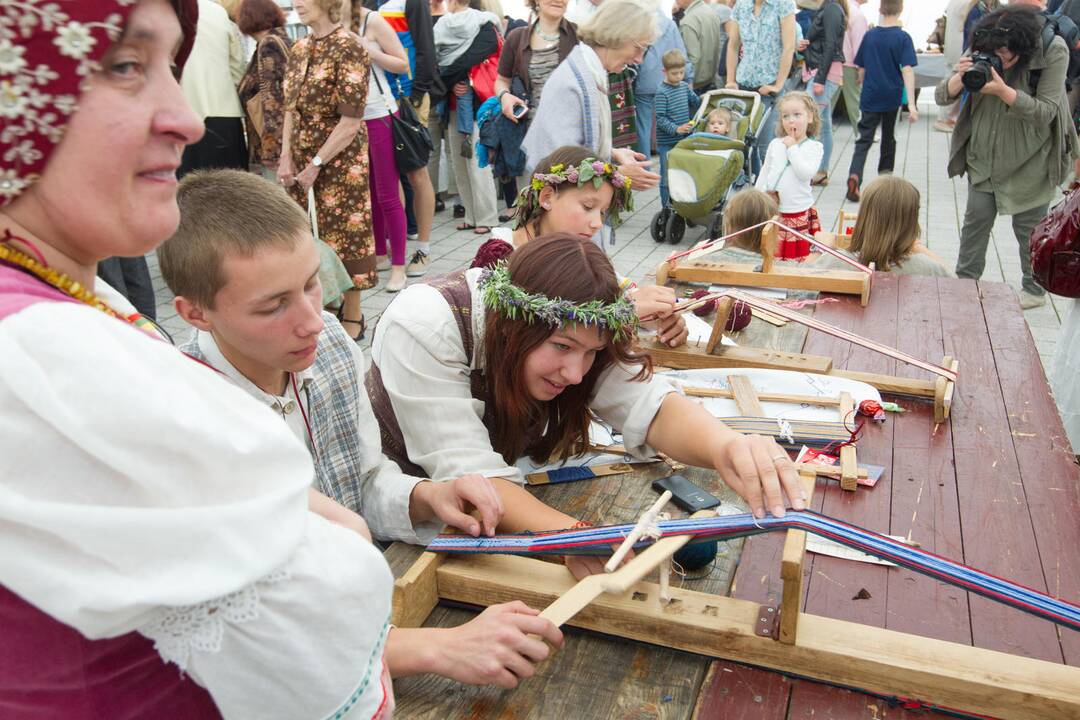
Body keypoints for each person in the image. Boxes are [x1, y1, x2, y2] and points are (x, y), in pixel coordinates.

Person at [0, 1, 398, 716]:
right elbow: (320, 611)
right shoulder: (36, 346)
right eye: (126, 65)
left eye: (171, 67)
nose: (186, 120)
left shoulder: (67, 301)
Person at [159, 168, 566, 689]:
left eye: (311, 283)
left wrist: (428, 495)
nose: (311, 318)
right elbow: (241, 634)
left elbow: (363, 480)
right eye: (273, 305)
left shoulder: (327, 342)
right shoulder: (186, 416)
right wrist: (438, 647)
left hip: (361, 609)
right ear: (195, 314)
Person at [367, 232, 807, 577]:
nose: (576, 374)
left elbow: (643, 402)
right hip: (393, 530)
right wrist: (576, 536)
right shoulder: (425, 324)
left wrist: (726, 447)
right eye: (561, 346)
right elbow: (474, 477)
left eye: (591, 353)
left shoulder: (578, 324)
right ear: (511, 327)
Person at [935, 4, 1078, 310]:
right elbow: (940, 96)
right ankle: (965, 285)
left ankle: (1034, 288)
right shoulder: (984, 43)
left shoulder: (1052, 50)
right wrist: (960, 78)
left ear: (1022, 49)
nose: (997, 57)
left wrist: (1003, 91)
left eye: (1004, 53)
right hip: (983, 158)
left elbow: (1047, 112)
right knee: (974, 225)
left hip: (1031, 159)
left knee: (1029, 231)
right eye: (992, 51)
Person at [476, 146, 690, 348]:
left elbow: (620, 294)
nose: (597, 223)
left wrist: (655, 318)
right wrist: (620, 312)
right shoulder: (500, 256)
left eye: (602, 212)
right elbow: (511, 334)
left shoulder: (576, 253)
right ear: (547, 197)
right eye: (588, 207)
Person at [279, 0, 373, 341]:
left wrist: (317, 164)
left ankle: (354, 313)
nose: (297, 4)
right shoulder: (299, 47)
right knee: (304, 232)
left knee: (346, 231)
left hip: (340, 158)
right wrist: (286, 156)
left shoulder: (349, 45)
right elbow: (290, 108)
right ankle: (321, 302)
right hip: (302, 156)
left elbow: (351, 120)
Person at [522, 0, 660, 195]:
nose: (639, 59)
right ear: (616, 36)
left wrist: (610, 152)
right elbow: (561, 166)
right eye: (639, 48)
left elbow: (576, 143)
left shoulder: (589, 71)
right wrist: (618, 173)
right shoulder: (574, 81)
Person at [353, 0, 441, 281]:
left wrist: (419, 92)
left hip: (405, 99)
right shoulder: (366, 6)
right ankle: (390, 247)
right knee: (387, 181)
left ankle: (423, 248)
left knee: (416, 173)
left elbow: (425, 47)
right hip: (375, 104)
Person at [354, 3, 413, 292]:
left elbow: (403, 64)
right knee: (367, 191)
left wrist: (370, 52)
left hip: (380, 114)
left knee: (387, 192)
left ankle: (399, 266)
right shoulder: (326, 21)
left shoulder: (372, 20)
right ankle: (379, 254)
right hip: (349, 120)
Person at [434, 0, 502, 235]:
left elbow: (480, 51)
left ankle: (487, 216)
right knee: (461, 162)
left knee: (475, 161)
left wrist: (449, 79)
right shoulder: (482, 21)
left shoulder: (483, 24)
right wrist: (452, 83)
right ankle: (472, 215)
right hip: (454, 102)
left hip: (474, 102)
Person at [843, 0, 916, 204]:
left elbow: (862, 69)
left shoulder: (870, 35)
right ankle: (885, 184)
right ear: (900, 10)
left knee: (864, 139)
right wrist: (911, 104)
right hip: (891, 96)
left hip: (870, 95)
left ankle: (855, 175)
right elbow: (907, 70)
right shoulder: (903, 38)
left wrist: (861, 78)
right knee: (888, 138)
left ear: (880, 10)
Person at [821, 177, 955, 276]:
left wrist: (820, 248)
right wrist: (919, 248)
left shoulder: (839, 261)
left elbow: (803, 275)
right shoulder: (925, 267)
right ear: (911, 224)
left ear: (864, 219)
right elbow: (955, 280)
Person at [725, 0, 797, 168]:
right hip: (744, 88)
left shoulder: (783, 4)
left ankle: (771, 191)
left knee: (767, 149)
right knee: (743, 148)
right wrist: (730, 80)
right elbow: (733, 46)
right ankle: (752, 191)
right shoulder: (741, 6)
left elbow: (789, 47)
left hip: (769, 88)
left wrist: (778, 84)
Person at [179, 0, 248, 174]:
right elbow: (238, 68)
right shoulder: (217, 12)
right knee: (232, 189)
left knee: (184, 192)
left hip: (181, 115)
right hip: (224, 114)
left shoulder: (163, 10)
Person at [755, 91, 824, 259]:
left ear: (809, 117)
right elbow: (765, 171)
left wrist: (792, 148)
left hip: (797, 210)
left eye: (797, 115)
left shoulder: (814, 147)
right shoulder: (775, 144)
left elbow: (805, 173)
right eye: (785, 116)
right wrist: (757, 194)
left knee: (797, 257)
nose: (791, 120)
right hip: (773, 208)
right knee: (771, 253)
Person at [237, 0, 293, 181]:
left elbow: (272, 99)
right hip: (287, 138)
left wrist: (271, 149)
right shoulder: (282, 39)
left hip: (276, 145)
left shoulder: (268, 45)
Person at [796, 0, 846, 185]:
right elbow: (828, 42)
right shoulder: (830, 8)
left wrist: (820, 79)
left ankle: (808, 169)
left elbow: (832, 44)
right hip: (822, 72)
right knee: (823, 126)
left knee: (808, 122)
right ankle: (821, 170)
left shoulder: (831, 8)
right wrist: (805, 45)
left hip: (824, 73)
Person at [655, 50, 703, 207]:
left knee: (684, 172)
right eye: (674, 73)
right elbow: (660, 119)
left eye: (681, 72)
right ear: (665, 72)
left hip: (684, 140)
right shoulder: (662, 93)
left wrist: (704, 100)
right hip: (668, 142)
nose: (679, 76)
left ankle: (684, 201)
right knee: (667, 175)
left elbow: (696, 101)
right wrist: (676, 129)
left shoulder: (683, 87)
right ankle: (666, 207)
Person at [675, 0, 723, 94]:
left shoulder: (689, 20)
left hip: (695, 83)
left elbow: (693, 57)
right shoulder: (709, 11)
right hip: (710, 78)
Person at [840, 0, 868, 127]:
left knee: (826, 103)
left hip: (834, 62)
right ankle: (862, 133)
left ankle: (815, 133)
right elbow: (859, 45)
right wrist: (861, 67)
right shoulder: (858, 15)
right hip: (850, 64)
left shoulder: (840, 8)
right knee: (855, 101)